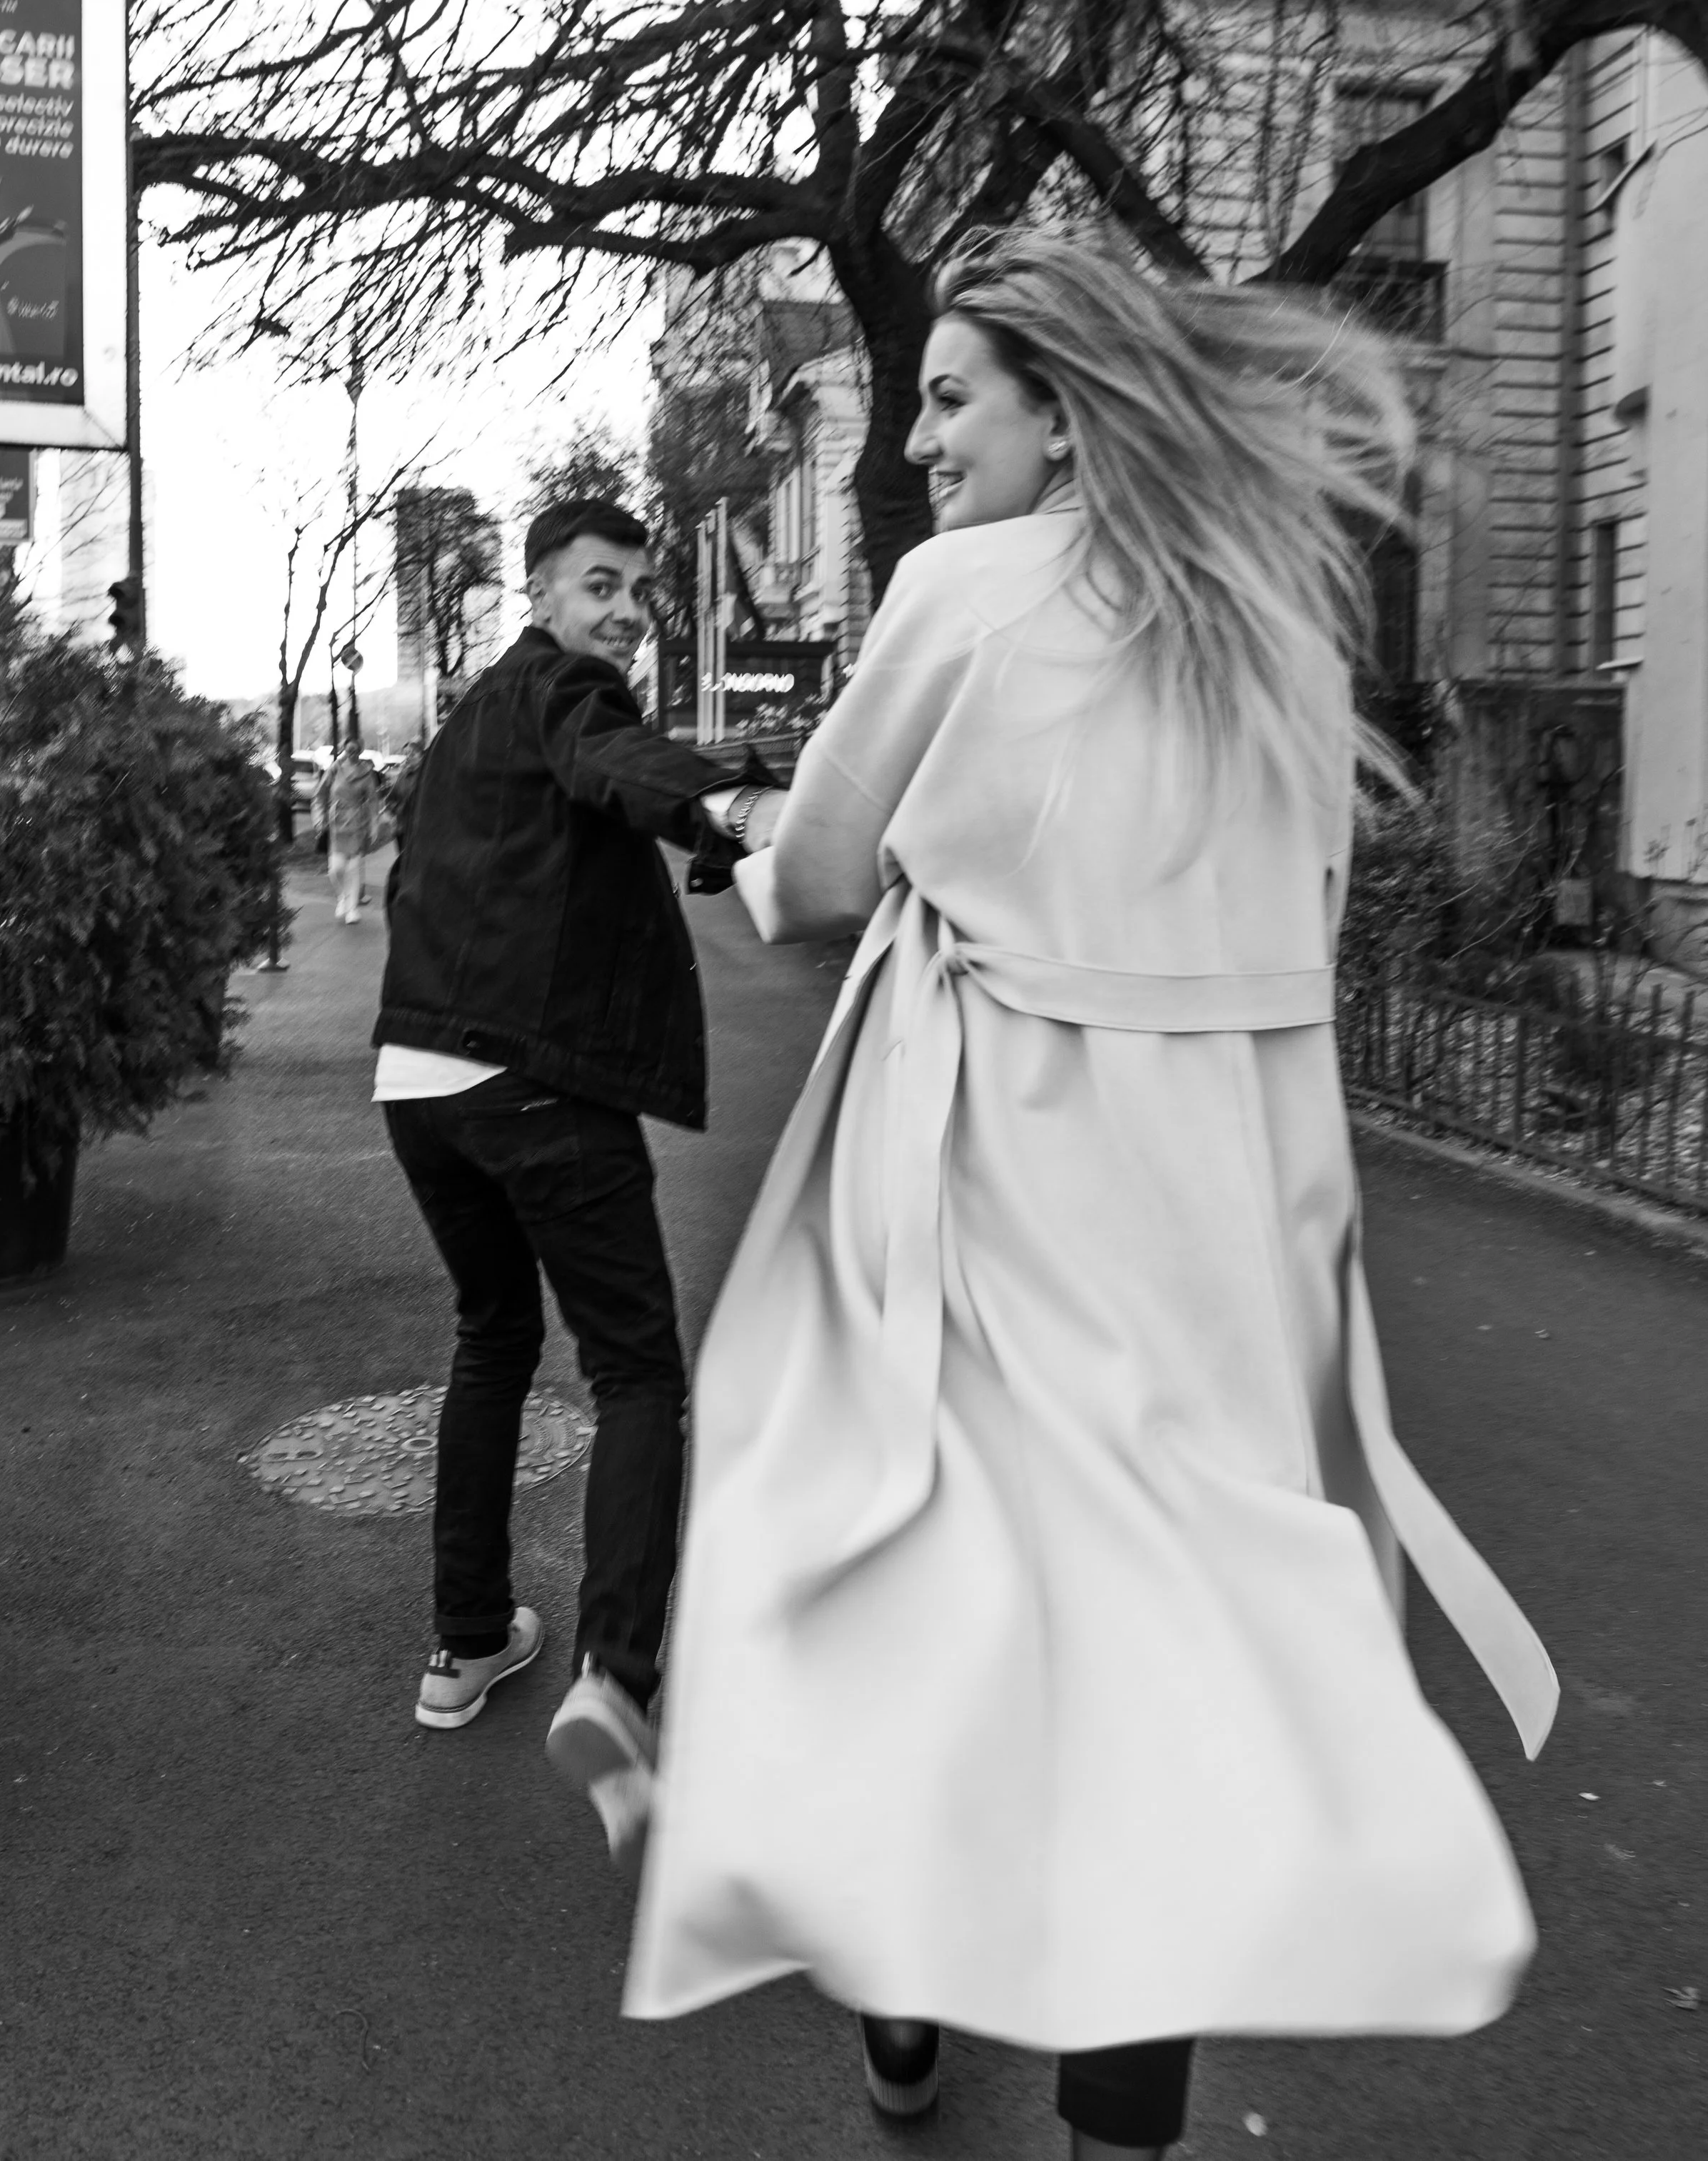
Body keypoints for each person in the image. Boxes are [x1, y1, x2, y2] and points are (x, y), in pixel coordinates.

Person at [624, 233, 1558, 2157]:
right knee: (1156, 1691)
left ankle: (900, 2002)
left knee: (923, 1618)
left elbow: (806, 881)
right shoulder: (1266, 621)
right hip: (1201, 1229)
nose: (917, 431)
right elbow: (1293, 934)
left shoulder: (962, 586)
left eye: (951, 394)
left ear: (1058, 408)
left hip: (979, 1208)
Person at [372, 496, 770, 1865]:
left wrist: (705, 815)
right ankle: (615, 1681)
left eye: (640, 594)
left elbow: (596, 787)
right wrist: (736, 802)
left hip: (416, 1084)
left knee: (494, 1336)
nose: (625, 612)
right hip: (530, 1080)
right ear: (540, 592)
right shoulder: (562, 683)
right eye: (602, 584)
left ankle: (467, 1641)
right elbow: (611, 752)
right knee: (640, 1372)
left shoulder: (478, 719)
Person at [316, 740, 378, 923]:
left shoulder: (366, 773)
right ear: (344, 749)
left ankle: (352, 910)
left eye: (355, 750)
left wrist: (374, 825)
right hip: (337, 823)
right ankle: (342, 896)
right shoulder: (335, 769)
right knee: (336, 869)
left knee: (353, 868)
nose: (351, 752)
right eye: (348, 749)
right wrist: (320, 818)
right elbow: (319, 795)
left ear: (360, 751)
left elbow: (373, 800)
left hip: (358, 823)